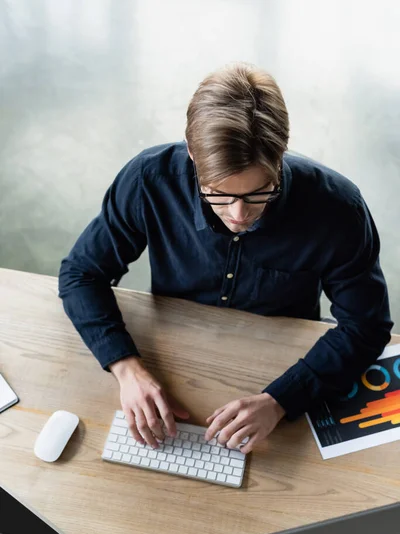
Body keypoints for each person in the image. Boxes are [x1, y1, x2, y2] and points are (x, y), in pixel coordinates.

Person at [59, 63, 393, 455]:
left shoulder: (337, 208)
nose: (238, 214)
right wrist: (125, 366)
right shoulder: (149, 180)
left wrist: (281, 400)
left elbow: (366, 327)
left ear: (280, 156)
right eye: (216, 192)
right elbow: (82, 273)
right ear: (192, 156)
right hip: (175, 353)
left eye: (258, 193)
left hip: (282, 362)